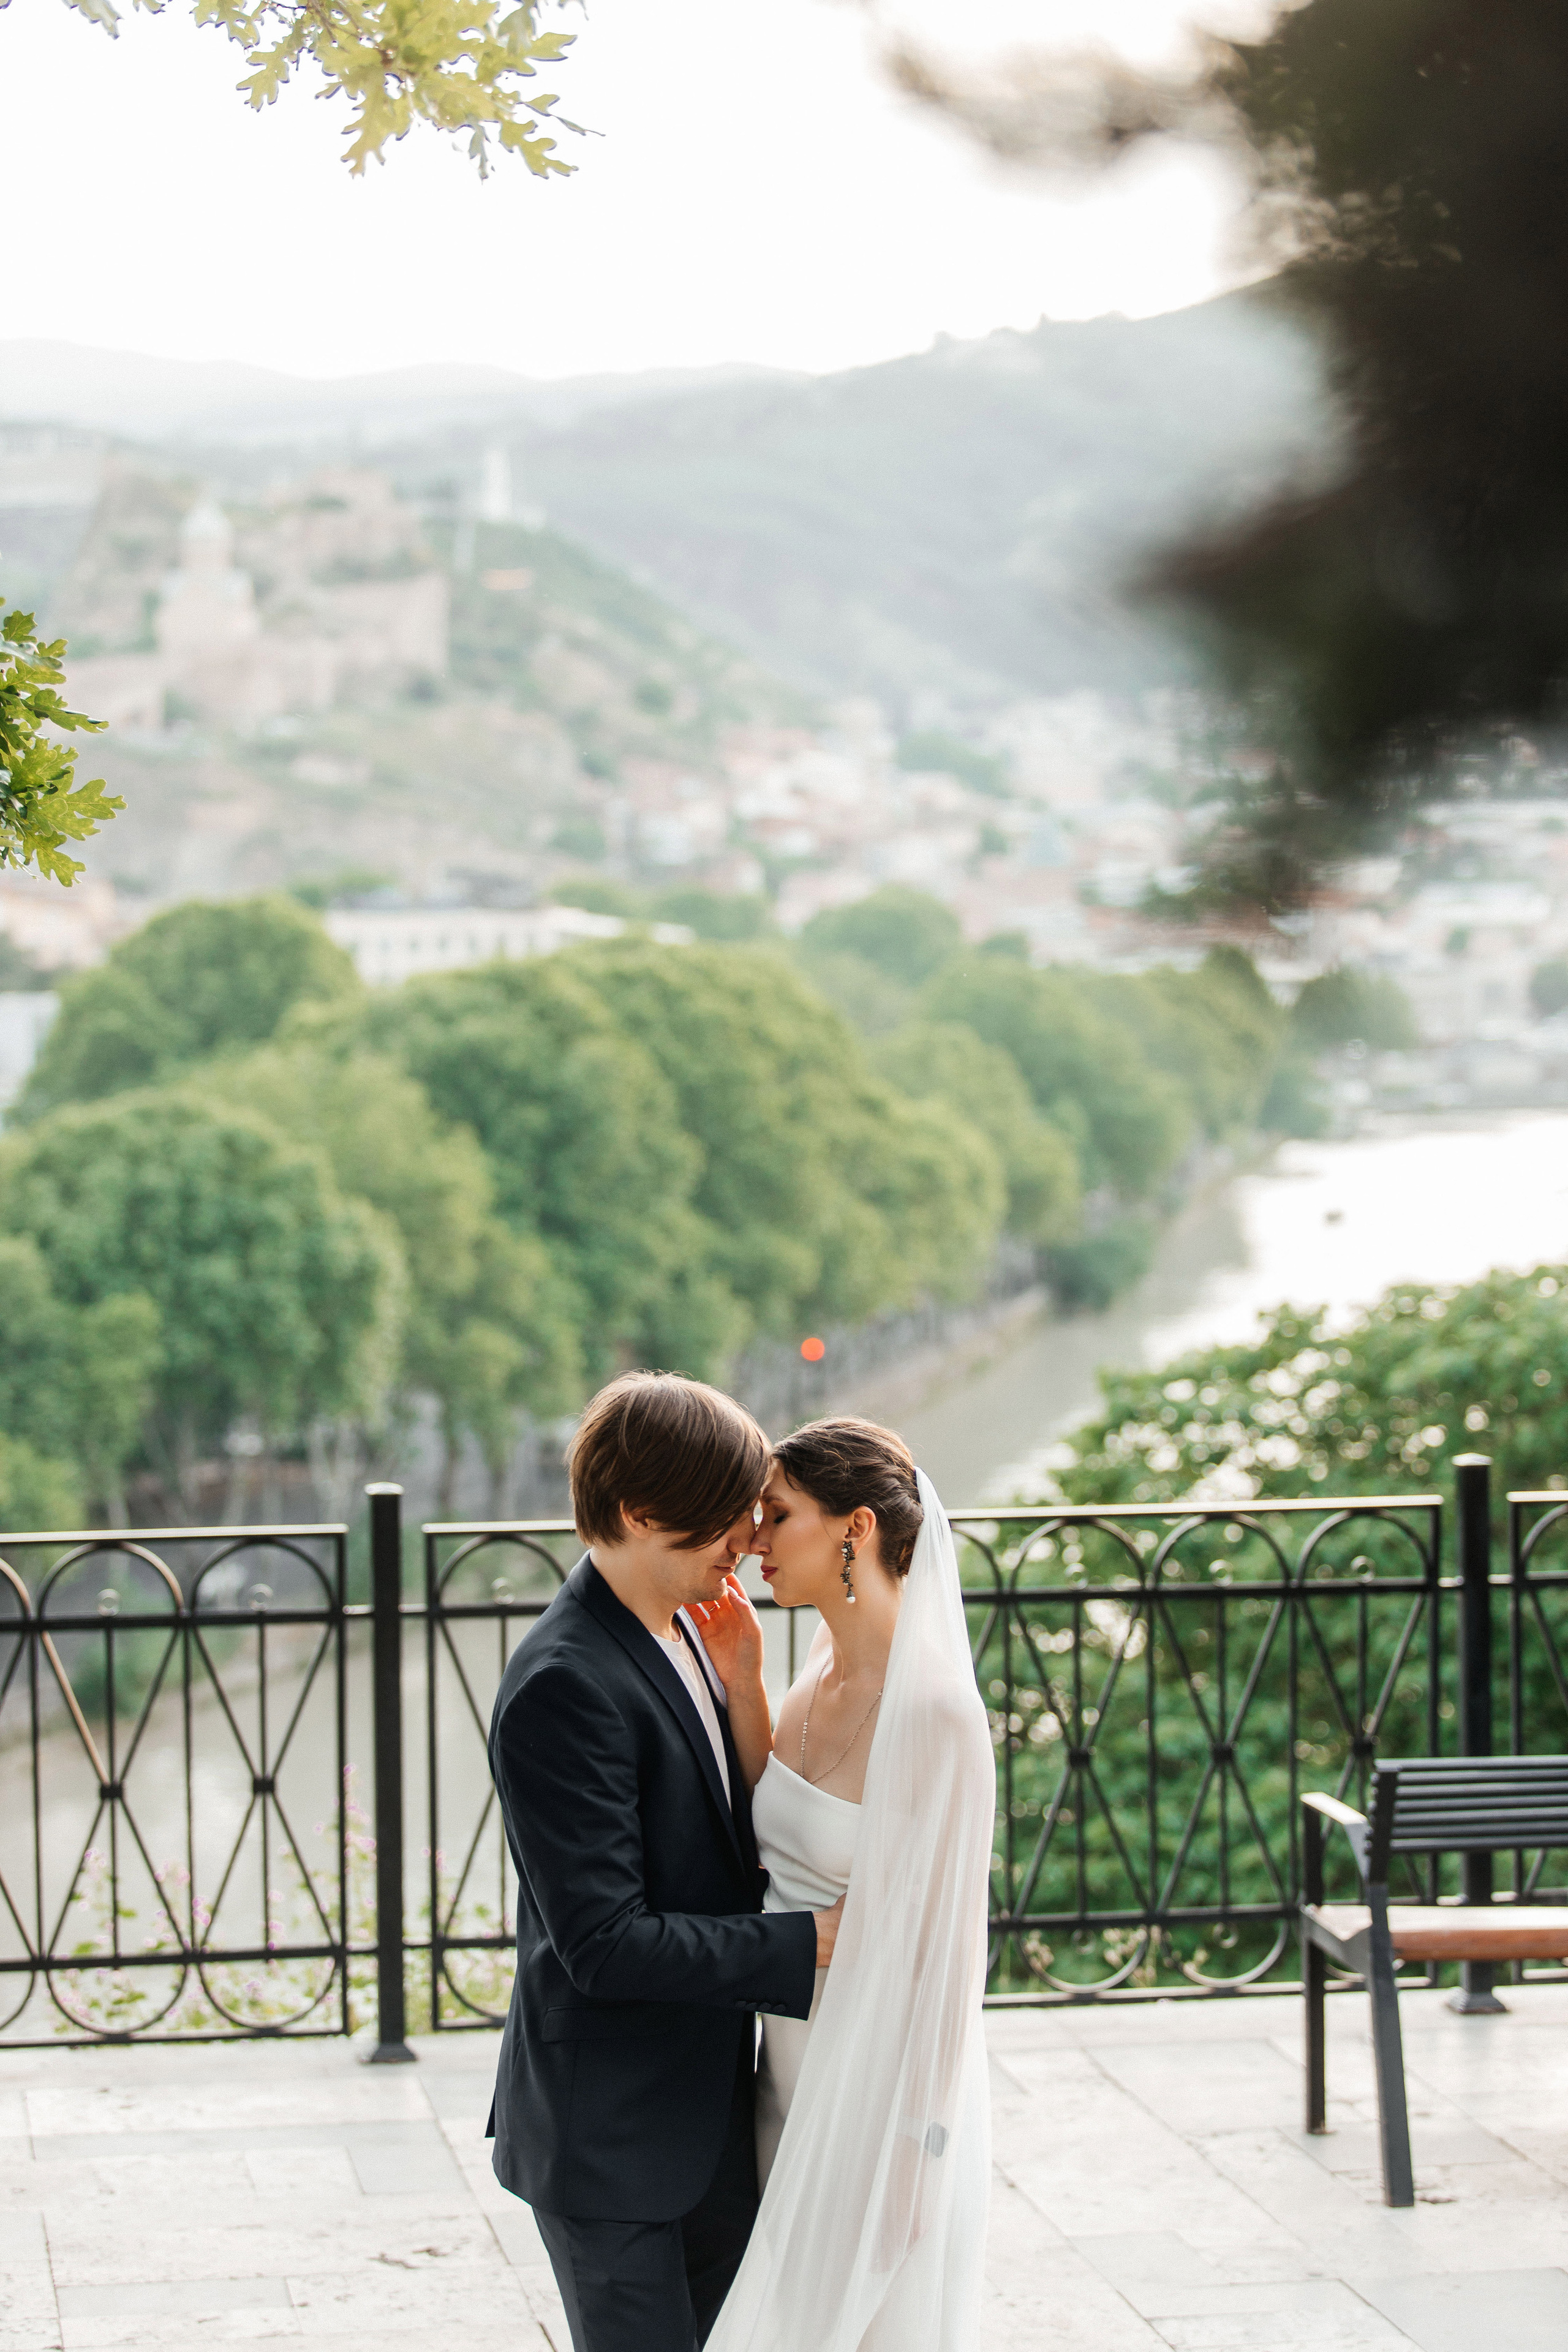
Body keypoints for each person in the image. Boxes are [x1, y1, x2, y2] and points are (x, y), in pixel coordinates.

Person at [485, 1371, 843, 2352]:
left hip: (706, 2115)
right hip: (613, 2143)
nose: (750, 1538)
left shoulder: (693, 1624)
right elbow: (605, 1944)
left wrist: (744, 1687)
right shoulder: (565, 1685)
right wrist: (804, 1943)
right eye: (727, 1516)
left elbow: (718, 1842)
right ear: (642, 1513)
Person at [690, 1417, 995, 2352]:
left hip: (877, 2093)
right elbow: (777, 1820)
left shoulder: (938, 1712)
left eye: (778, 1516)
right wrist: (744, 1677)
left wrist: (917, 2151)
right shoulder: (821, 1663)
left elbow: (950, 1963)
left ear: (855, 1529)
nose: (754, 1540)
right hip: (782, 2066)